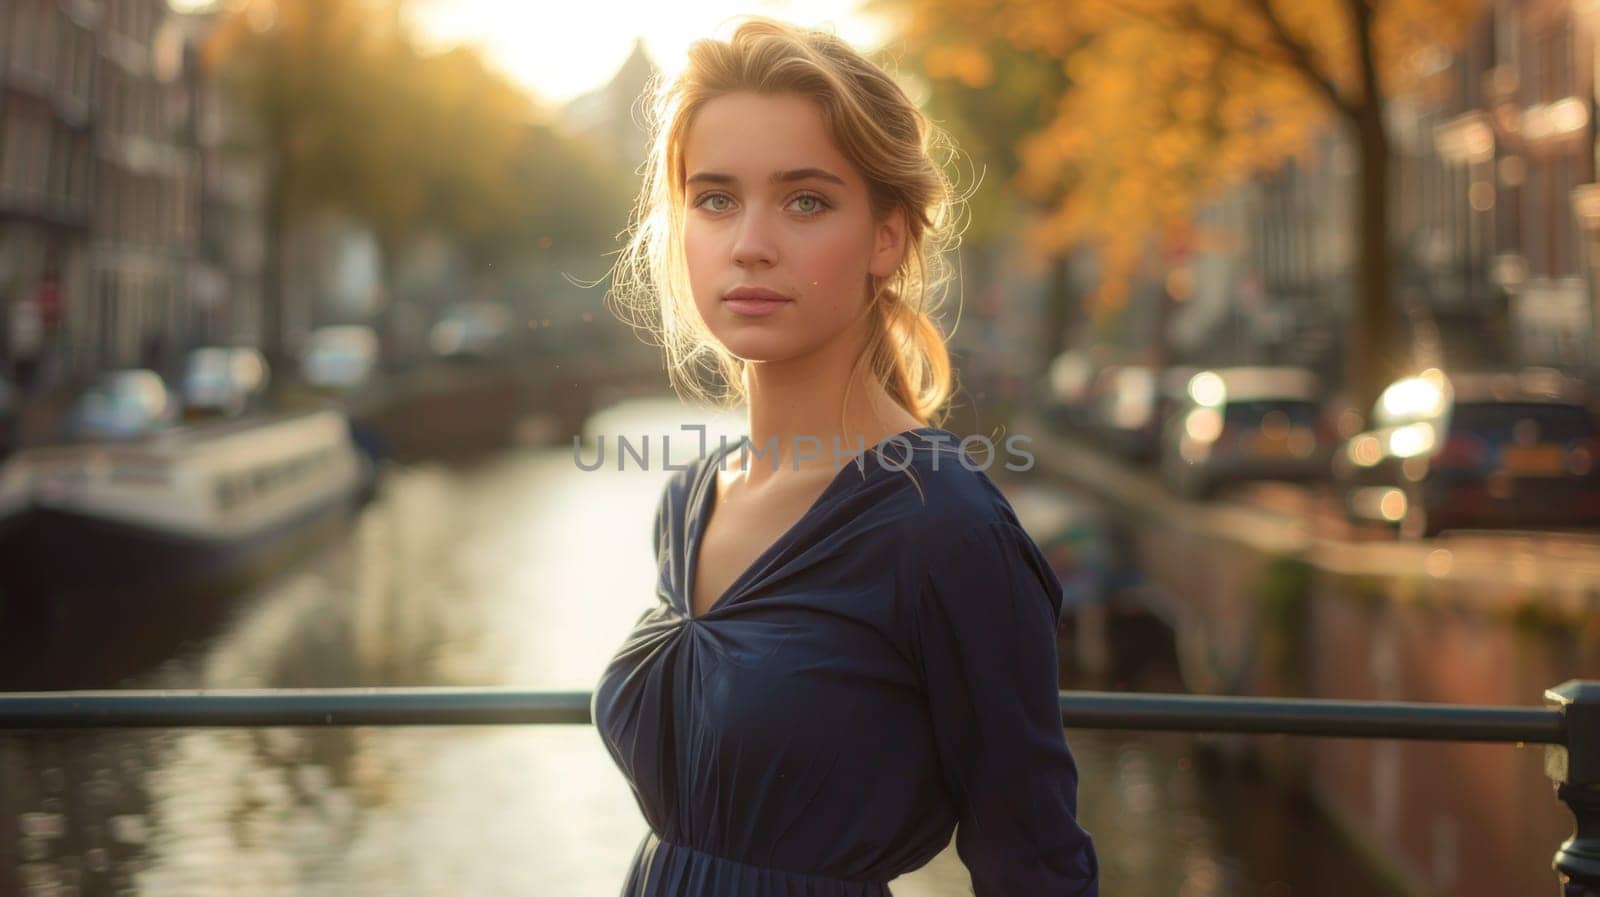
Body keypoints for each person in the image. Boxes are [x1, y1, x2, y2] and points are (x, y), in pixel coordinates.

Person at [592, 17, 1099, 896]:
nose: (750, 240)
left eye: (805, 201)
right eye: (715, 198)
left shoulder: (946, 530)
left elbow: (1036, 864)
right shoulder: (691, 499)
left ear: (887, 238)